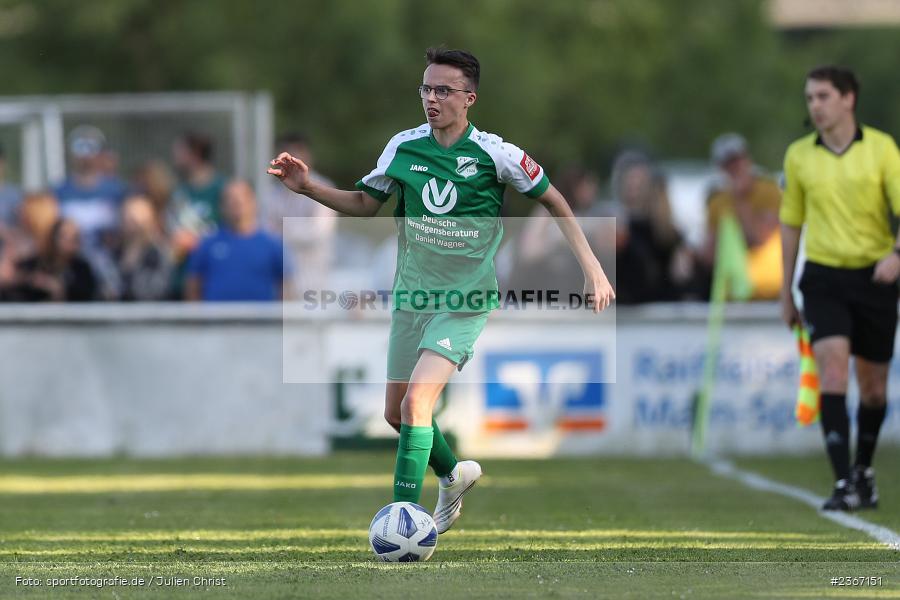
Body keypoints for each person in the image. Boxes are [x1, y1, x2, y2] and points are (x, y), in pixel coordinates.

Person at [268, 47, 614, 534]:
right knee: (396, 414)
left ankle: (402, 522)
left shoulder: (497, 154)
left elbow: (555, 201)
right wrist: (307, 188)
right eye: (426, 89)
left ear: (469, 98)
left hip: (464, 301)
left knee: (416, 405)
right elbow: (366, 203)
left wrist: (593, 268)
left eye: (444, 90)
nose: (432, 98)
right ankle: (453, 475)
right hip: (411, 298)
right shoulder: (404, 147)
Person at [780, 65, 900, 511]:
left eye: (823, 96)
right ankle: (843, 481)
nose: (815, 106)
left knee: (873, 388)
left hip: (875, 277)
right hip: (823, 277)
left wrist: (897, 254)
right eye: (810, 98)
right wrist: (785, 290)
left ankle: (864, 471)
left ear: (848, 99)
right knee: (832, 369)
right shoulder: (799, 156)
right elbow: (791, 223)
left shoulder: (882, 149)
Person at [610, 151, 696, 303]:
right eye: (631, 182)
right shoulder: (621, 226)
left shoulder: (665, 230)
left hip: (659, 303)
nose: (634, 187)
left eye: (639, 182)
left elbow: (680, 273)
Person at [185, 180, 289, 302]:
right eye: (230, 199)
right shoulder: (207, 245)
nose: (237, 202)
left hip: (261, 314)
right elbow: (193, 285)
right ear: (222, 206)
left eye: (243, 197)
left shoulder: (272, 244)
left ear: (254, 202)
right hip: (217, 314)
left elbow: (286, 285)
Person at [706, 133, 782, 300]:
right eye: (728, 165)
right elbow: (710, 255)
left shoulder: (768, 189)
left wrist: (740, 202)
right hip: (734, 295)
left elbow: (760, 237)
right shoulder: (717, 201)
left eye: (737, 161)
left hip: (770, 291)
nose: (734, 169)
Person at [261, 133, 338, 294]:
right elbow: (265, 232)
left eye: (296, 153)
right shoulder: (271, 192)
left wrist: (283, 227)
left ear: (307, 155)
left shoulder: (324, 187)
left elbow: (317, 232)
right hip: (280, 276)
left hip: (314, 273)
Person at [53, 125, 128, 248]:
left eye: (91, 148)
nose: (85, 156)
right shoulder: (59, 192)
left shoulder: (117, 191)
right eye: (79, 147)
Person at [6, 218, 97, 302]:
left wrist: (59, 289)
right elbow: (15, 281)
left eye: (74, 238)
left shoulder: (82, 268)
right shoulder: (36, 263)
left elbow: (86, 294)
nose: (69, 242)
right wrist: (36, 281)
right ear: (53, 237)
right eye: (64, 236)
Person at [114, 195, 173, 301]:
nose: (131, 224)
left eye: (135, 220)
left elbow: (154, 292)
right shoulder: (114, 252)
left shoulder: (158, 254)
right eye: (127, 217)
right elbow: (109, 290)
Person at [172, 131, 226, 229]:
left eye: (180, 151)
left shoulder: (223, 188)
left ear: (196, 153)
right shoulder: (180, 191)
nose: (175, 156)